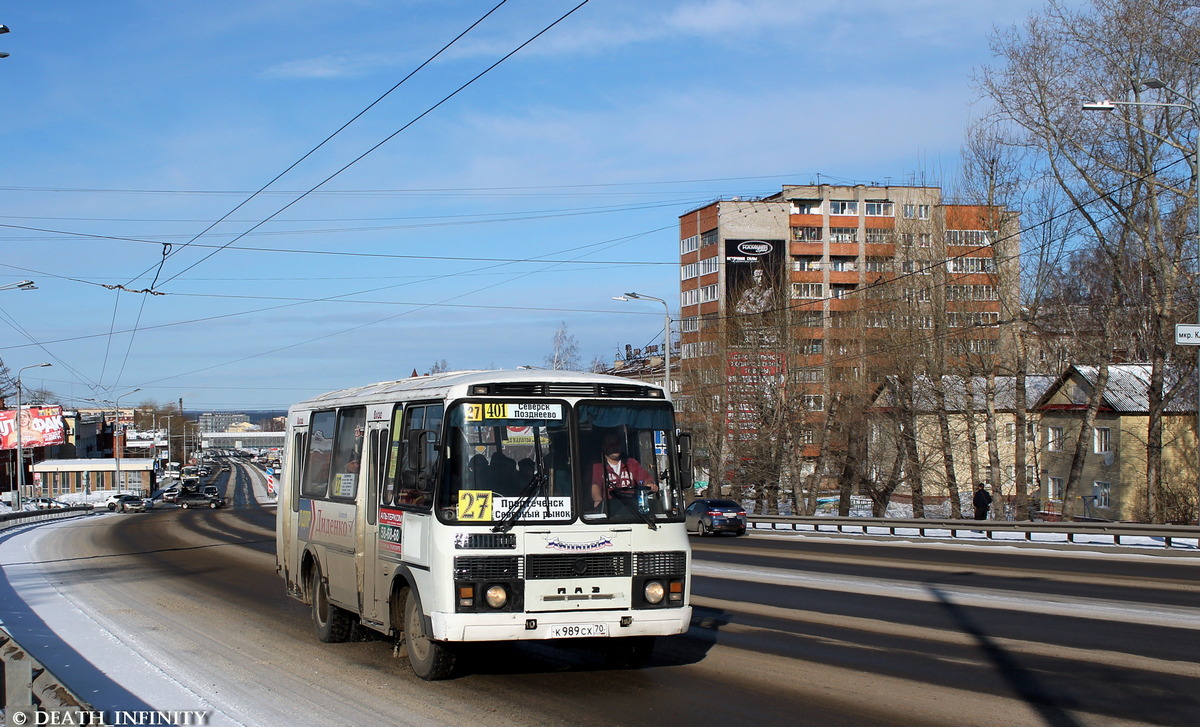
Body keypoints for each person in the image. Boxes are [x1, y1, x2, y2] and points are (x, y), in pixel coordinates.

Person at [589, 432, 657, 511]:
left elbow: (644, 478)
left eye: (617, 444)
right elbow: (595, 485)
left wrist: (649, 484)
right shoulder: (597, 466)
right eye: (611, 444)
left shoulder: (631, 463)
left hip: (632, 508)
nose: (615, 447)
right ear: (603, 447)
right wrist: (599, 503)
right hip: (610, 510)